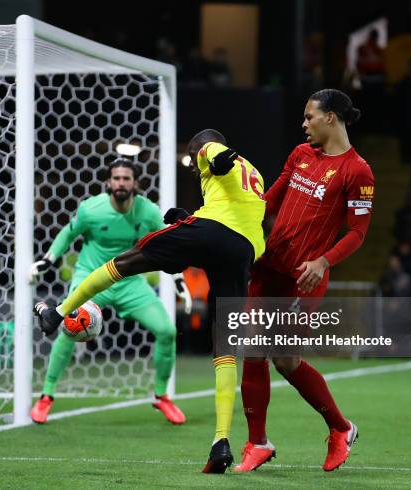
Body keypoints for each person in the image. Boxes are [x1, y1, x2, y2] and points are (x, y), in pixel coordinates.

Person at [34, 129, 266, 473]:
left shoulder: (209, 151)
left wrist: (213, 156)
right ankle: (220, 441)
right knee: (225, 348)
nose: (192, 165)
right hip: (245, 248)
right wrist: (188, 218)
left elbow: (214, 154)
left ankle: (57, 313)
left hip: (210, 231)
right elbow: (235, 207)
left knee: (130, 260)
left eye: (191, 157)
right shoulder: (256, 175)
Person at [235, 89, 375, 473]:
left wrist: (323, 260)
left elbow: (357, 233)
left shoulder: (357, 170)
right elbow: (267, 202)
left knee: (285, 360)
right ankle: (257, 442)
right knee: (251, 350)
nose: (304, 123)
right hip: (268, 269)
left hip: (303, 279)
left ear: (331, 118)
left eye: (309, 116)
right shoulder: (300, 155)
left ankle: (341, 428)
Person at [29, 158, 191, 425]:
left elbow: (169, 243)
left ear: (135, 183)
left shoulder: (148, 211)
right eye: (116, 178)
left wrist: (178, 278)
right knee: (67, 329)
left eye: (126, 178)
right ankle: (47, 395)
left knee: (167, 331)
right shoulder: (91, 210)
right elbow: (67, 234)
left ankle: (162, 396)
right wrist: (48, 259)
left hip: (129, 281)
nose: (120, 183)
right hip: (91, 279)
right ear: (108, 182)